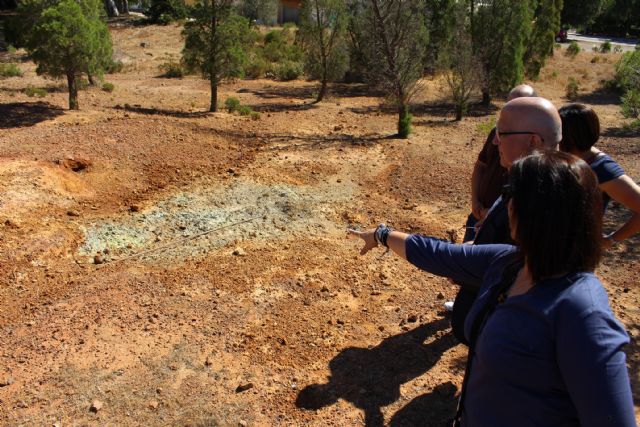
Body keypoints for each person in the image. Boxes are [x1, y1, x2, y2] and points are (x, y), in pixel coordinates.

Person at [349, 151, 636, 427]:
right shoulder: (511, 262)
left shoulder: (582, 313)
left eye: (511, 195)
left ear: (538, 212)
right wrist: (381, 235)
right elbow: (439, 254)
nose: (506, 204)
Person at [451, 96, 562, 344]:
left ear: (533, 140)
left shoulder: (545, 197)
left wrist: (471, 260)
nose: (495, 140)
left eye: (502, 133)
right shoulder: (522, 181)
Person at [559, 102, 640, 247]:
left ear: (569, 135)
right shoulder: (565, 156)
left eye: (558, 130)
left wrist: (611, 239)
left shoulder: (602, 169)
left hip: (574, 257)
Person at [465, 85, 538, 242]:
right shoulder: (497, 132)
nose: (496, 142)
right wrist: (475, 202)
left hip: (501, 227)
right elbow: (480, 166)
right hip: (477, 216)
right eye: (509, 106)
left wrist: (493, 214)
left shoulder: (536, 146)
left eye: (519, 106)